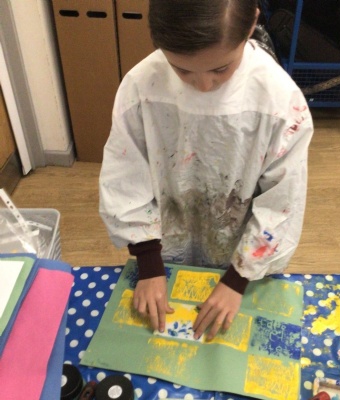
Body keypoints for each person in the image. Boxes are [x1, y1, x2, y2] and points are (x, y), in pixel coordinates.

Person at [99, 0, 313, 341]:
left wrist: (238, 278)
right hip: (164, 247)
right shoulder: (142, 86)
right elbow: (125, 175)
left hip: (244, 259)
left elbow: (282, 202)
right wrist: (149, 264)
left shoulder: (279, 101)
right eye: (182, 70)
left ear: (251, 24)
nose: (202, 86)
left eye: (220, 69)